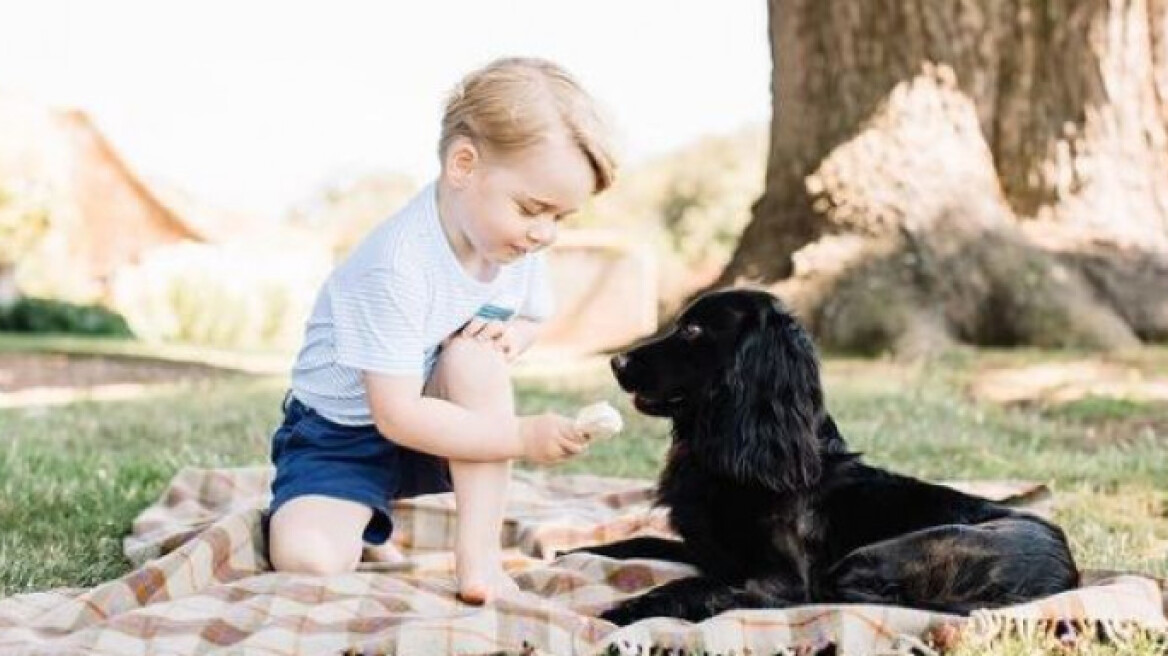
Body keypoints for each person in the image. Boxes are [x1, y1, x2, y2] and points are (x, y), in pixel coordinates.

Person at [264, 56, 618, 605]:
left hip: (439, 421)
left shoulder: (514, 244)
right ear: (463, 164)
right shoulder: (396, 264)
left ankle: (478, 561)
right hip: (342, 435)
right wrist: (522, 437)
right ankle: (353, 515)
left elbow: (529, 317)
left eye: (560, 218)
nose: (544, 233)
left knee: (475, 359)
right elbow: (396, 415)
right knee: (310, 561)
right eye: (533, 208)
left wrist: (509, 340)